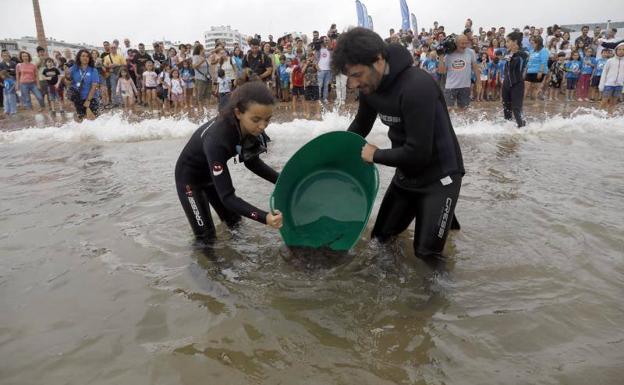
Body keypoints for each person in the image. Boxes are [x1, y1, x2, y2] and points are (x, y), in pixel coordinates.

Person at [331, 28, 464, 260]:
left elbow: (419, 152)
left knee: (426, 255)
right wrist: (335, 158)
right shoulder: (370, 87)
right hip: (406, 175)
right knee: (379, 241)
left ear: (379, 61)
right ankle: (445, 223)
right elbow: (360, 126)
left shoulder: (416, 86)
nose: (352, 84)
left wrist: (376, 155)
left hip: (439, 177)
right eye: (348, 77)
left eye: (357, 75)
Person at [174, 81, 283, 240]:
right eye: (256, 120)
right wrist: (265, 217)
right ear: (238, 113)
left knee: (235, 222)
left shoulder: (251, 128)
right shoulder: (217, 139)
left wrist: (283, 181)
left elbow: (252, 163)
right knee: (206, 237)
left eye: (267, 120)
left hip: (211, 175)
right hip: (190, 181)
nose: (262, 126)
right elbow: (228, 198)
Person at [438, 34, 481, 109]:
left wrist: (479, 82)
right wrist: (441, 57)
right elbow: (442, 71)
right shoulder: (449, 55)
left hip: (465, 86)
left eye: (466, 43)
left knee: (464, 110)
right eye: (462, 43)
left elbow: (475, 68)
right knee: (449, 110)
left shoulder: (471, 52)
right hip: (451, 87)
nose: (464, 45)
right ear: (456, 43)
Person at [502, 31, 529, 127]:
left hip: (517, 84)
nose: (506, 44)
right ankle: (508, 127)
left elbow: (524, 59)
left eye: (508, 41)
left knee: (516, 108)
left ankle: (522, 128)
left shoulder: (523, 53)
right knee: (506, 107)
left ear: (515, 41)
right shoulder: (507, 52)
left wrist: (514, 52)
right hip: (506, 84)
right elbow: (506, 67)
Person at [69, 49, 101, 120]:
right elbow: (68, 80)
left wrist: (88, 100)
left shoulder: (93, 70)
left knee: (94, 120)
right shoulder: (74, 69)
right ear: (79, 57)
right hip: (78, 99)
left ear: (89, 58)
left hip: (92, 99)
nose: (85, 58)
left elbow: (94, 86)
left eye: (87, 56)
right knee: (82, 121)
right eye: (83, 56)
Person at [598, 43, 624, 113]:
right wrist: (601, 85)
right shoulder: (610, 61)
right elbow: (604, 73)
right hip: (609, 84)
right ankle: (598, 114)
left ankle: (609, 115)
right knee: (604, 101)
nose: (621, 51)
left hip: (619, 85)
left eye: (623, 49)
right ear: (616, 50)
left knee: (613, 102)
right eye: (619, 49)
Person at [192, 44, 212, 110]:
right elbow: (194, 66)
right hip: (200, 79)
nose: (204, 49)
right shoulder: (195, 57)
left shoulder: (205, 56)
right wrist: (201, 61)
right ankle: (201, 110)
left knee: (208, 94)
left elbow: (212, 52)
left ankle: (208, 109)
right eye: (203, 48)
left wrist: (218, 48)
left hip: (208, 78)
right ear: (200, 49)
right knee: (200, 95)